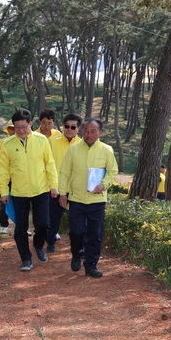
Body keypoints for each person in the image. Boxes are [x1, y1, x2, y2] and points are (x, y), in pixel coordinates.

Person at [0, 109, 58, 271]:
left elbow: (49, 164)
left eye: (24, 126)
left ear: (30, 124)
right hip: (19, 193)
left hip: (41, 190)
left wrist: (54, 186)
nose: (21, 131)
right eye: (17, 127)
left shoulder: (41, 140)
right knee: (21, 228)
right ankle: (26, 258)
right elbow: (2, 170)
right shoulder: (7, 144)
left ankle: (39, 245)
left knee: (44, 224)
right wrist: (3, 191)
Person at [59, 118, 118, 278]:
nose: (89, 134)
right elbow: (64, 172)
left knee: (95, 234)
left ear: (100, 133)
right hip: (77, 199)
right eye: (86, 130)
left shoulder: (107, 150)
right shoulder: (73, 149)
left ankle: (91, 264)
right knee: (77, 231)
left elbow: (112, 172)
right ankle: (77, 254)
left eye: (93, 131)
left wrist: (104, 185)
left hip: (97, 200)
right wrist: (63, 193)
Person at [46, 113, 83, 253]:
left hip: (76, 189)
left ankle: (78, 247)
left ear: (78, 129)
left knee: (77, 220)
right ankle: (50, 243)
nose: (69, 129)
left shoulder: (82, 145)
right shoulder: (52, 142)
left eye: (73, 127)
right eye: (66, 126)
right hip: (56, 188)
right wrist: (52, 186)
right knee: (53, 218)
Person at [0, 120, 16, 234]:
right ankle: (4, 224)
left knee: (20, 203)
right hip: (6, 178)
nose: (12, 130)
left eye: (14, 128)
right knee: (5, 201)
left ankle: (20, 225)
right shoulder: (2, 143)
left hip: (18, 178)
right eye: (10, 128)